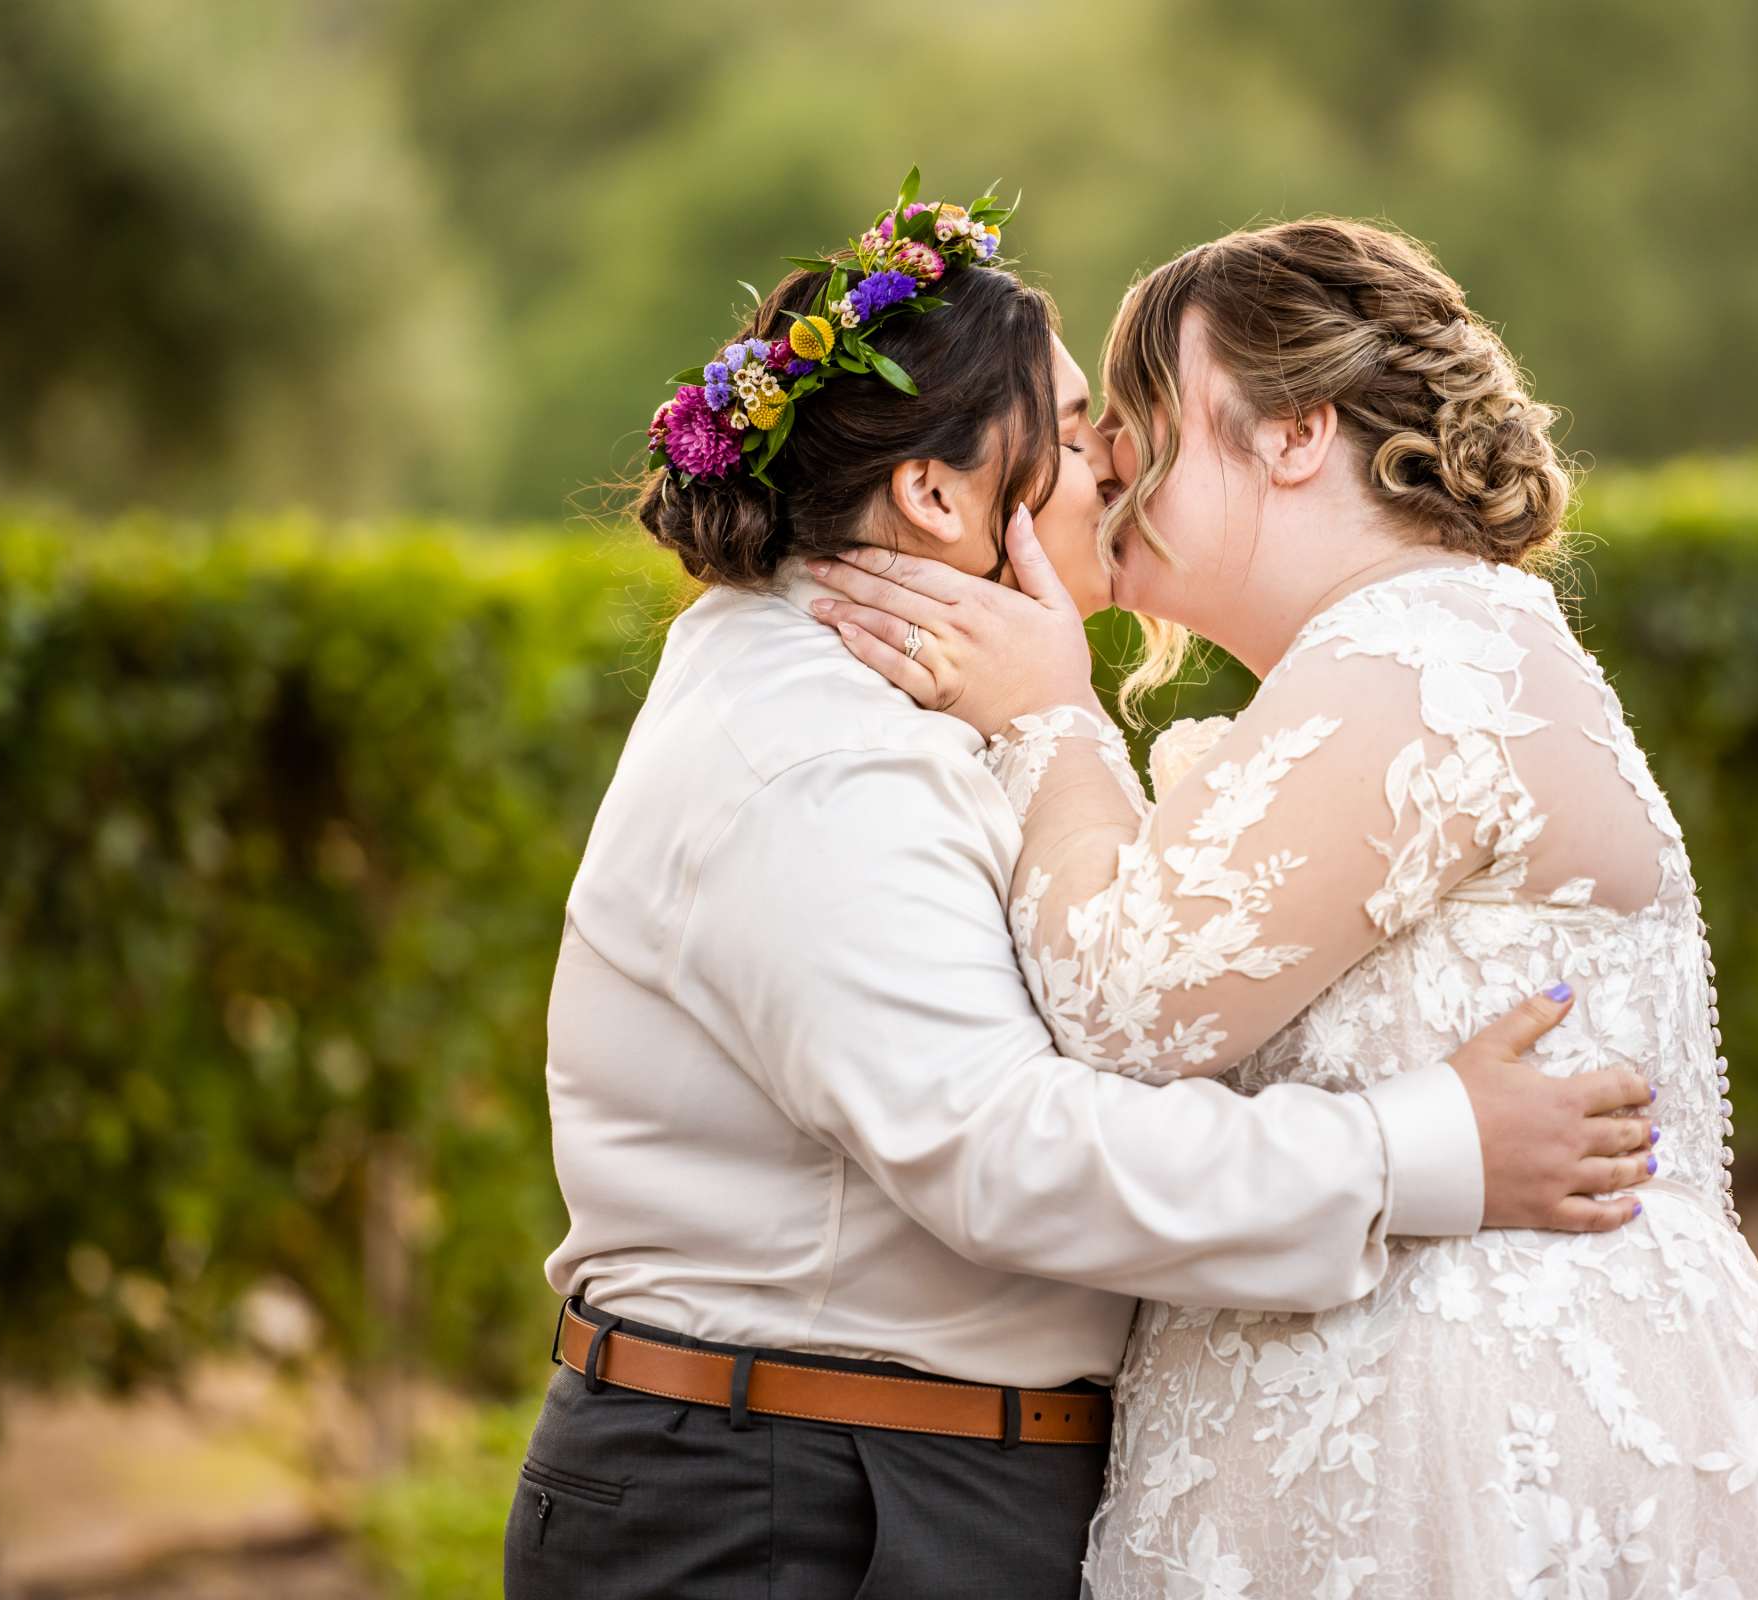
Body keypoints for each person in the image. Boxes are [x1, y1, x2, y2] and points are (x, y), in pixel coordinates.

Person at [505, 176, 1656, 1600]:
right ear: (934, 493)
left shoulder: (900, 703)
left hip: (863, 1469)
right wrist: (1424, 1151)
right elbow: (1005, 1151)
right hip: (796, 1504)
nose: (1116, 463)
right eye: (1067, 433)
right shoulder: (817, 751)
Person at [813, 217, 1758, 1596]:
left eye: (1145, 417)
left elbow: (1123, 1007)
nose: (1106, 463)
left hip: (1467, 1440)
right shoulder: (1427, 645)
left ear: (1294, 433)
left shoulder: (1418, 655)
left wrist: (1049, 715)